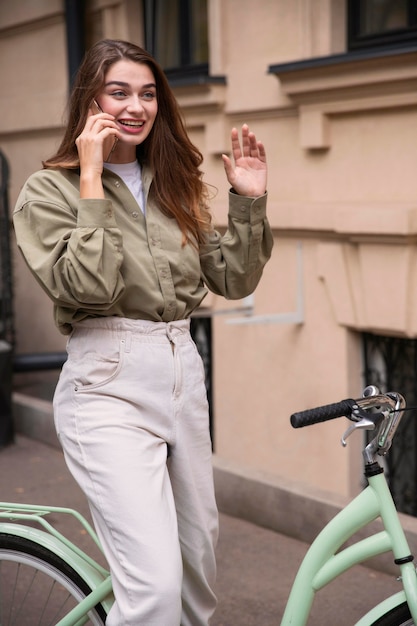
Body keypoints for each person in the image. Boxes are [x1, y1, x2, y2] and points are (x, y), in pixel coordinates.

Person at [13, 39, 273, 626]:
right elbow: (88, 287)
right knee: (154, 589)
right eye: (119, 91)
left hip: (183, 370)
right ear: (91, 100)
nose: (136, 106)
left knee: (195, 580)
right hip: (107, 382)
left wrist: (248, 203)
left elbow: (231, 280)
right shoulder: (46, 191)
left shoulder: (174, 183)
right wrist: (90, 176)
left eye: (148, 93)